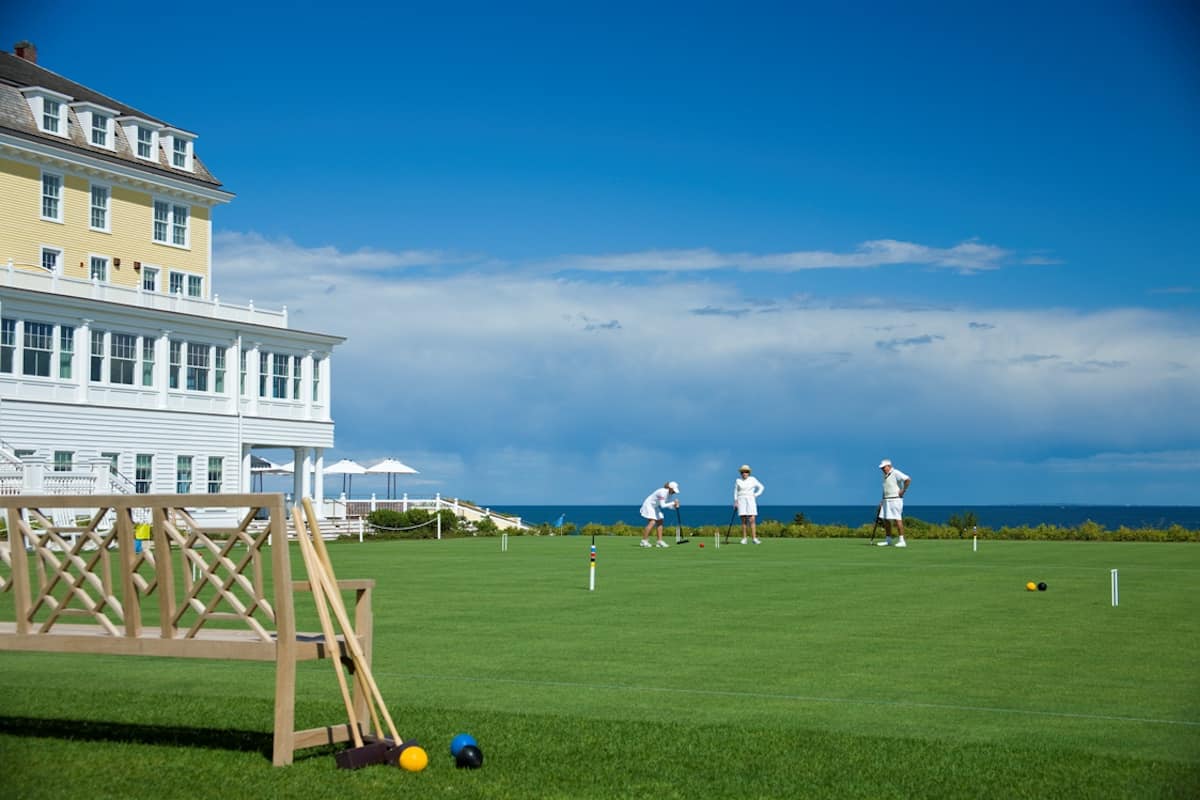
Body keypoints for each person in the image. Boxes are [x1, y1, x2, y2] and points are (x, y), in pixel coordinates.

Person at [876, 459, 912, 547]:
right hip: (886, 500)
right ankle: (888, 540)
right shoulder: (884, 475)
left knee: (897, 519)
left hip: (895, 499)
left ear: (889, 466)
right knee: (886, 520)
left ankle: (902, 541)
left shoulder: (895, 472)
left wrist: (903, 490)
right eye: (882, 468)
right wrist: (882, 500)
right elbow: (886, 489)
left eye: (884, 467)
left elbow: (908, 479)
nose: (883, 469)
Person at [640, 481, 680, 548]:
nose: (674, 492)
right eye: (673, 491)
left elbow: (668, 505)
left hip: (655, 506)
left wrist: (675, 507)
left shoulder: (669, 495)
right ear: (670, 488)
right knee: (652, 522)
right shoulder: (662, 492)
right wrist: (673, 503)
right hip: (649, 505)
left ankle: (659, 542)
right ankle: (644, 541)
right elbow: (663, 505)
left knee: (660, 521)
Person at [734, 465, 765, 544]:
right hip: (741, 500)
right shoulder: (738, 480)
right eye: (743, 472)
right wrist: (735, 501)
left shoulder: (753, 479)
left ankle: (754, 539)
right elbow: (736, 491)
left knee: (752, 519)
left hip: (751, 500)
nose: (744, 473)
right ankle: (744, 539)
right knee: (744, 520)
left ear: (749, 473)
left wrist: (756, 494)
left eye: (746, 472)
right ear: (741, 473)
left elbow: (761, 487)